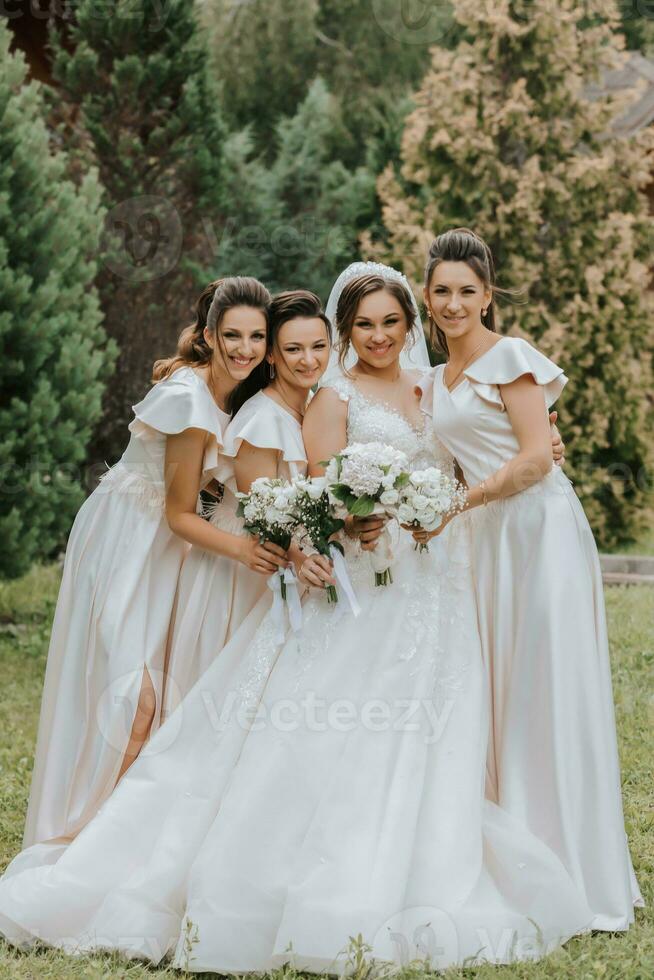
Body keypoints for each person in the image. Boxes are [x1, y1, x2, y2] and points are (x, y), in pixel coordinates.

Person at [0, 264, 592, 973]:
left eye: (391, 323)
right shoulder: (331, 398)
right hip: (366, 579)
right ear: (346, 332)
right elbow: (321, 487)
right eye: (364, 325)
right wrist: (355, 519)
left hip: (434, 577)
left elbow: (475, 444)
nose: (378, 336)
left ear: (411, 327)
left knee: (435, 722)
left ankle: (427, 853)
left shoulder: (430, 386)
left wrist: (544, 444)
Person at [415, 227, 643, 931]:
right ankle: (513, 850)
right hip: (483, 540)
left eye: (467, 292)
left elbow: (540, 458)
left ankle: (571, 865)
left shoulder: (510, 358)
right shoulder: (434, 377)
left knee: (544, 682)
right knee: (499, 684)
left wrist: (463, 501)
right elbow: (469, 453)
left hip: (534, 533)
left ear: (489, 294)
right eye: (442, 291)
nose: (454, 304)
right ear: (427, 295)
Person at [21, 276, 284, 849]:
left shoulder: (230, 398)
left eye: (257, 337)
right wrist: (245, 550)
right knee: (131, 695)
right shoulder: (189, 400)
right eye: (232, 335)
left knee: (153, 694)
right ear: (210, 335)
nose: (244, 348)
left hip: (168, 552)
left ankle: (112, 833)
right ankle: (84, 837)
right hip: (128, 540)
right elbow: (178, 512)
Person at [162, 290, 334, 713]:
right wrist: (297, 556)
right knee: (224, 695)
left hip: (276, 561)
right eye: (293, 349)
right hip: (239, 570)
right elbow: (261, 512)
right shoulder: (262, 420)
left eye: (319, 347)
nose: (308, 360)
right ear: (272, 356)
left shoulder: (307, 407)